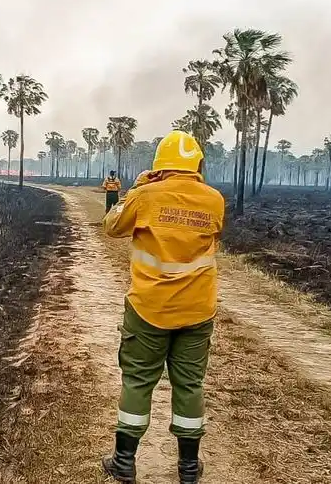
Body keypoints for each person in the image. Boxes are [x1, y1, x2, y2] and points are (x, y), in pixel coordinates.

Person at [100, 130, 225, 484]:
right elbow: (213, 233)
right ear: (197, 164)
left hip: (149, 310)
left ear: (158, 165)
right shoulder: (214, 200)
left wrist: (136, 189)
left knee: (138, 381)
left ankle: (124, 462)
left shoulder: (145, 196)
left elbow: (111, 227)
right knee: (190, 384)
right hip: (198, 310)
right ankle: (189, 469)